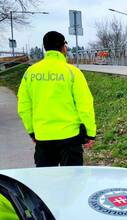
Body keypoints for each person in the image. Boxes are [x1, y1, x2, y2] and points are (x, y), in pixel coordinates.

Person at [17, 31, 96, 167]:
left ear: (45, 47)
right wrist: (90, 133)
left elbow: (24, 106)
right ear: (63, 47)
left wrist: (31, 131)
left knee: (46, 183)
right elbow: (85, 105)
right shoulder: (73, 72)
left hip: (43, 136)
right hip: (70, 137)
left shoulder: (30, 73)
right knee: (73, 182)